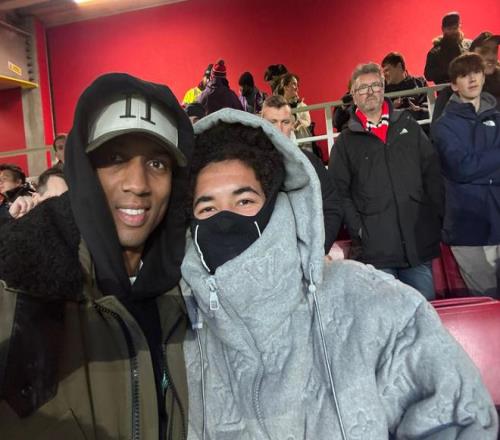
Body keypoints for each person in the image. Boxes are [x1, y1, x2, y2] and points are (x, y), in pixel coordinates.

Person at [179, 108, 497, 439]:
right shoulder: (181, 329)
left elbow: (457, 416)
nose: (226, 219)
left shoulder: (368, 301)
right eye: (208, 208)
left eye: (244, 201)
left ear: (277, 204)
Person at [0, 73, 193, 439]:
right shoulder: (16, 285)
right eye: (115, 158)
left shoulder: (192, 289)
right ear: (83, 171)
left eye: (157, 164)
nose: (137, 184)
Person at [328, 63, 443, 300]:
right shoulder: (345, 143)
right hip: (376, 253)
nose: (370, 92)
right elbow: (340, 193)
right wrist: (360, 230)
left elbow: (431, 173)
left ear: (383, 89)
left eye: (375, 85)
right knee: (386, 318)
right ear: (354, 96)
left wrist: (433, 217)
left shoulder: (408, 125)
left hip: (417, 245)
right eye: (362, 88)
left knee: (425, 314)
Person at [432, 53, 500, 298]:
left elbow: (470, 167)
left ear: (483, 76)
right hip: (467, 228)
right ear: (454, 85)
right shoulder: (443, 125)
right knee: (487, 303)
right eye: (463, 75)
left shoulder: (497, 117)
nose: (472, 79)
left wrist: (478, 168)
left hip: (496, 216)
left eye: (476, 72)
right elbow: (462, 168)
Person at [261, 94, 343, 252]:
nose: (279, 129)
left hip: (309, 252)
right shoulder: (249, 166)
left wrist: (319, 250)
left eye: (285, 122)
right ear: (262, 124)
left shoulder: (310, 162)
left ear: (292, 125)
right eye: (272, 122)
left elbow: (332, 206)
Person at [432, 31, 500, 124]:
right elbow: (439, 130)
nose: (491, 57)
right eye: (484, 51)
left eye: (495, 51)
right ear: (470, 56)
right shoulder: (449, 95)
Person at [424, 11, 471, 84]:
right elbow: (428, 75)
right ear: (443, 29)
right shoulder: (435, 52)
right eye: (449, 29)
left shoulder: (469, 45)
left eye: (455, 28)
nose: (453, 31)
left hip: (469, 86)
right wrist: (448, 69)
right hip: (447, 89)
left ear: (459, 27)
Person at [381, 52, 429, 123]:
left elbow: (430, 108)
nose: (384, 74)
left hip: (419, 126)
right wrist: (391, 107)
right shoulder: (381, 90)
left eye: (387, 70)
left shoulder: (420, 83)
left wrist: (418, 109)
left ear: (399, 66)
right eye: (383, 71)